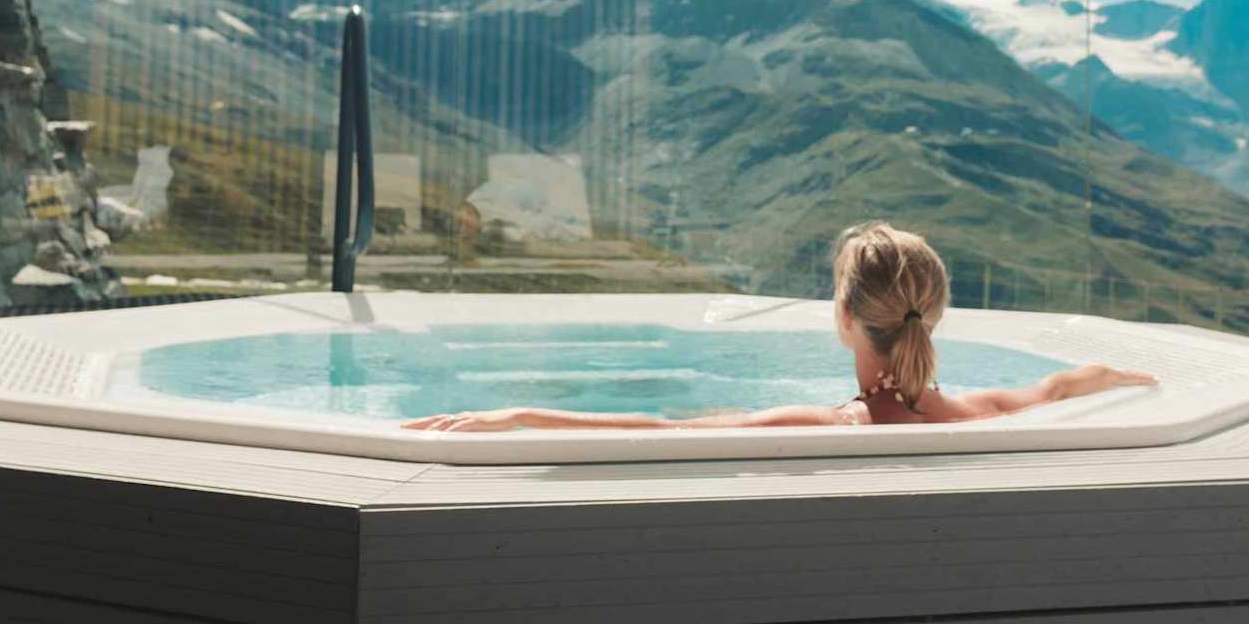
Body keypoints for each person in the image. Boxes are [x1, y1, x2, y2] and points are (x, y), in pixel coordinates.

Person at [401, 222, 1156, 433]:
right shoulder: (987, 412)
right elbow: (1064, 385)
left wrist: (522, 414)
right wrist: (1130, 376)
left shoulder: (832, 426)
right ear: (934, 316)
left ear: (845, 317)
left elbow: (663, 431)